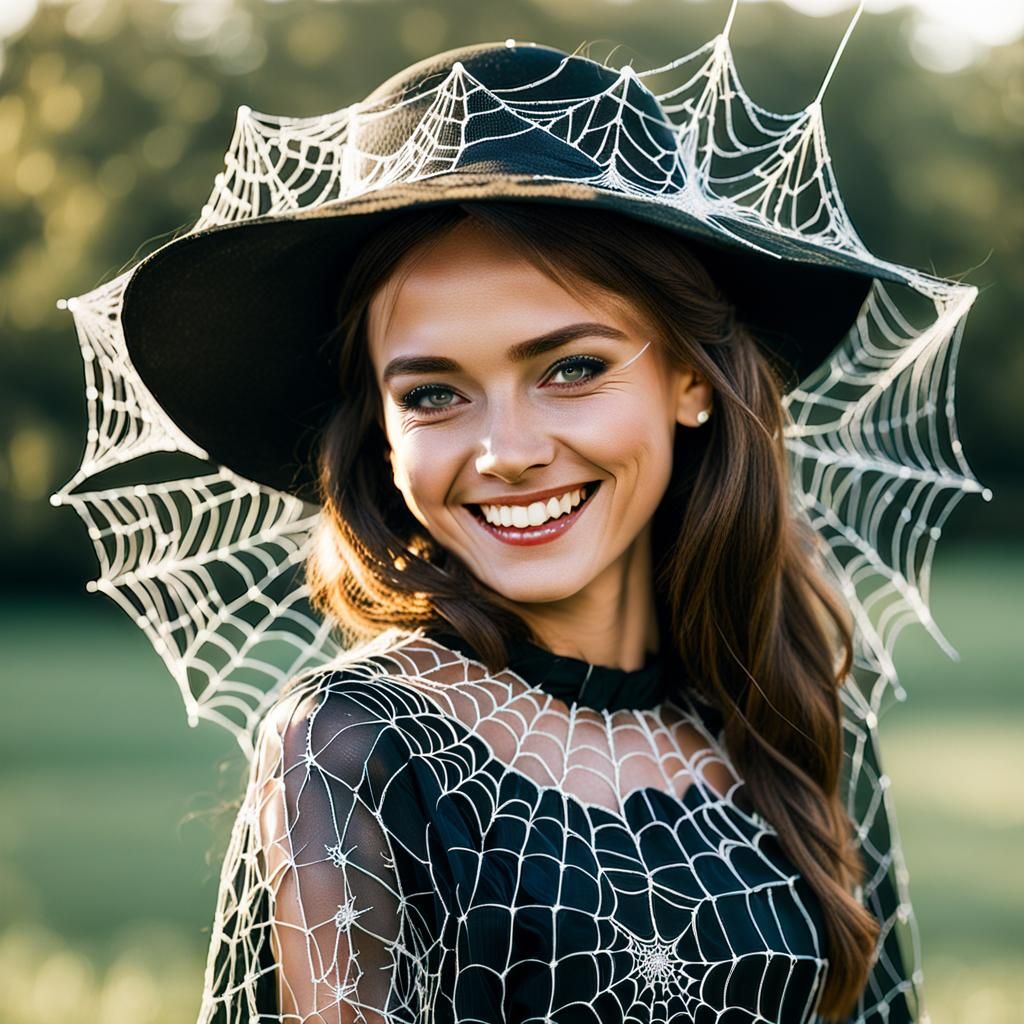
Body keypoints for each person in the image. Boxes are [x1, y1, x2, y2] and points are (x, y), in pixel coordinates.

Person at [112, 39, 931, 1024]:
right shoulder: (357, 747)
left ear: (689, 379)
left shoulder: (792, 706)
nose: (504, 450)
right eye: (432, 392)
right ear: (379, 429)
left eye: (571, 368)